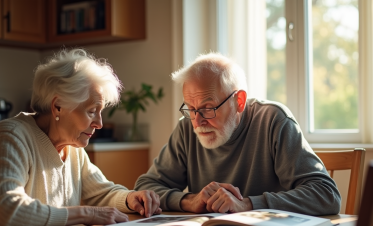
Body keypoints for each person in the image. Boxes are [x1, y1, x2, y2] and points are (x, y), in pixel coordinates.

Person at [0, 49, 161, 226]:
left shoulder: (73, 147)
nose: (99, 123)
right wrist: (86, 214)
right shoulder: (11, 137)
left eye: (100, 112)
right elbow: (8, 212)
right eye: (91, 112)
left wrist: (130, 198)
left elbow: (101, 193)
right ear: (58, 107)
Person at [135, 52, 341, 216]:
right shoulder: (186, 128)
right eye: (190, 108)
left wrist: (247, 204)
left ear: (239, 101)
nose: (197, 121)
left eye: (208, 108)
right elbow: (145, 187)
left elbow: (326, 194)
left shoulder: (273, 121)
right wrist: (189, 200)